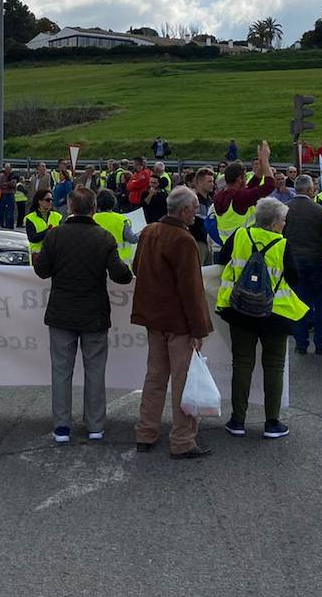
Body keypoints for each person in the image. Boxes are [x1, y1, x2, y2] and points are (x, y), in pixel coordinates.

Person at [33, 187, 133, 442]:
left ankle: (62, 426)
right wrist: (128, 268)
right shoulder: (104, 237)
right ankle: (95, 425)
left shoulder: (55, 236)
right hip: (94, 312)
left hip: (61, 312)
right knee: (95, 369)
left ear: (70, 207)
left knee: (61, 370)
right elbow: (120, 275)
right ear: (94, 208)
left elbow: (42, 271)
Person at [132, 187, 213, 459]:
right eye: (194, 208)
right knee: (182, 381)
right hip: (177, 321)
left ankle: (146, 432)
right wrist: (198, 328)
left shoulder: (149, 232)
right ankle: (182, 440)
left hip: (153, 317)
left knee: (155, 377)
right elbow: (191, 290)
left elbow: (136, 267)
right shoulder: (183, 240)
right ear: (184, 210)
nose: (197, 212)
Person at [217, 197, 306, 439]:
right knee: (274, 366)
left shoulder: (240, 236)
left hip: (240, 309)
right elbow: (295, 278)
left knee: (242, 363)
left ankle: (237, 420)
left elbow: (220, 260)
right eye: (284, 221)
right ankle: (272, 422)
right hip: (275, 314)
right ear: (277, 223)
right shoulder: (282, 245)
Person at [285, 175, 322, 354]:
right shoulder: (319, 210)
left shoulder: (286, 209)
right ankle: (320, 344)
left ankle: (301, 343)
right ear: (308, 189)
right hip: (317, 262)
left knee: (299, 303)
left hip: (295, 262)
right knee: (321, 304)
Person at [214, 142, 277, 241]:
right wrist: (265, 161)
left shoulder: (220, 195)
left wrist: (261, 163)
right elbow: (270, 185)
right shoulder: (239, 198)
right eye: (245, 177)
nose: (246, 179)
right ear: (240, 179)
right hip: (241, 245)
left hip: (227, 245)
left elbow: (251, 186)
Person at [93, 188, 138, 263]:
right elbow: (133, 239)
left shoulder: (92, 218)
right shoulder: (122, 220)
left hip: (98, 260)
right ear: (113, 202)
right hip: (120, 261)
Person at [188, 167, 220, 263]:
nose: (213, 184)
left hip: (208, 243)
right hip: (197, 242)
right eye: (209, 181)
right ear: (200, 183)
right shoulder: (192, 200)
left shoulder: (210, 200)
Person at [25, 189, 61, 266]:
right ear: (39, 201)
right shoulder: (30, 218)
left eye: (52, 200)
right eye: (48, 200)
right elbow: (32, 238)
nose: (50, 202)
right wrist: (48, 231)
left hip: (55, 256)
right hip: (38, 257)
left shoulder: (58, 216)